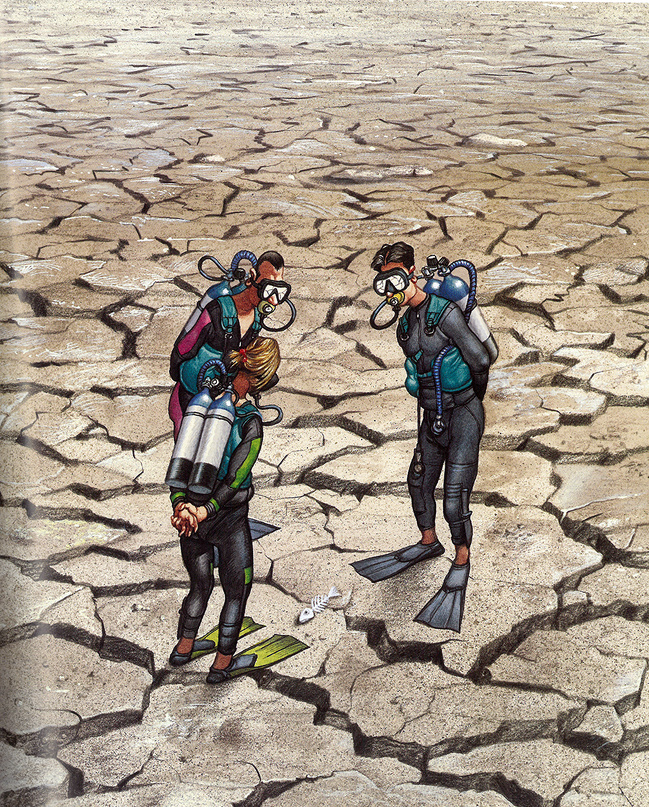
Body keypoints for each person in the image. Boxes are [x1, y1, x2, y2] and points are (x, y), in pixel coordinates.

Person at [353, 241, 496, 632]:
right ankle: (428, 541)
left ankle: (461, 559)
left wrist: (465, 398)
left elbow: (481, 359)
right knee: (417, 483)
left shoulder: (444, 313)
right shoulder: (405, 325)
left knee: (455, 497)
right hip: (432, 417)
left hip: (462, 414)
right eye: (383, 283)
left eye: (396, 280)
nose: (390, 290)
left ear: (412, 274)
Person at [168, 336, 280, 682]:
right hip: (227, 518)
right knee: (236, 590)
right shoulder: (249, 420)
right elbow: (236, 479)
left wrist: (182, 506)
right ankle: (221, 664)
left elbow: (181, 461)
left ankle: (184, 647)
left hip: (190, 516)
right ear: (259, 378)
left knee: (199, 585)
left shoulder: (202, 405)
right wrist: (209, 509)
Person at [168, 251, 288, 438]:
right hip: (191, 392)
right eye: (268, 289)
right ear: (252, 278)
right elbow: (185, 347)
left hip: (222, 397)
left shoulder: (257, 319)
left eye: (279, 292)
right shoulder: (217, 310)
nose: (273, 300)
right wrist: (181, 376)